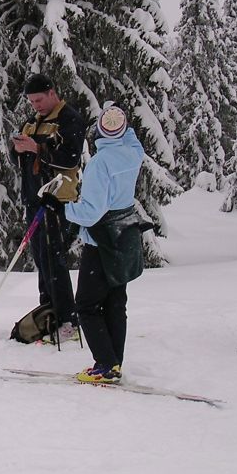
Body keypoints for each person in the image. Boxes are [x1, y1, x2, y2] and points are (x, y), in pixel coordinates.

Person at [62, 103, 146, 382]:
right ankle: (114, 362)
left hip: (102, 241)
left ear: (98, 129)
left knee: (86, 304)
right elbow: (133, 138)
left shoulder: (100, 163)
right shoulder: (133, 153)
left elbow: (91, 212)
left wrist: (64, 207)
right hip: (124, 235)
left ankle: (105, 364)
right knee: (115, 303)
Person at [11, 73, 85, 339]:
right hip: (34, 198)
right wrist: (19, 149)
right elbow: (23, 155)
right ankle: (49, 311)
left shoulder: (69, 119)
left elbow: (70, 158)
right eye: (32, 102)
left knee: (55, 259)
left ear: (52, 93)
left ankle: (68, 320)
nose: (36, 106)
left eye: (39, 100)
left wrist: (37, 148)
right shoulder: (34, 121)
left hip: (57, 200)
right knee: (42, 259)